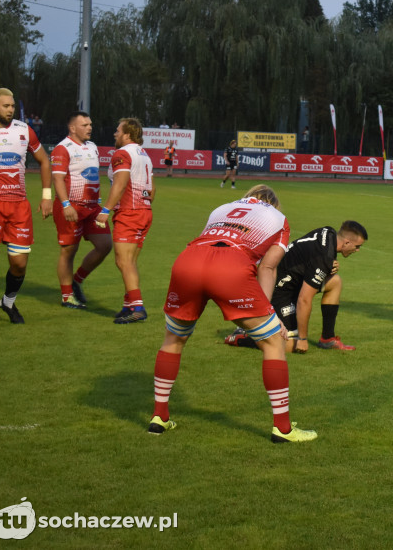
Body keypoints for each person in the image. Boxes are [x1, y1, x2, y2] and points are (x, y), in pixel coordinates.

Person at [150, 185, 317, 443]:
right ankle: (283, 429)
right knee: (274, 342)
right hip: (230, 267)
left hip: (188, 262)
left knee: (173, 340)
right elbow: (268, 268)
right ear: (274, 204)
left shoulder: (221, 208)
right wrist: (268, 311)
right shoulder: (279, 219)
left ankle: (159, 417)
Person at [225, 221, 368, 354]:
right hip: (278, 292)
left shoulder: (329, 233)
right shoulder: (324, 257)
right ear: (347, 242)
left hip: (294, 282)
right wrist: (303, 339)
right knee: (286, 343)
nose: (358, 250)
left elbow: (310, 256)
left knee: (335, 282)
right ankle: (242, 338)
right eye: (357, 246)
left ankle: (327, 338)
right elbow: (304, 299)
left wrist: (329, 265)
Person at [0, 88, 53, 331]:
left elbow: (44, 160)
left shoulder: (24, 130)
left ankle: (8, 303)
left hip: (19, 206)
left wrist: (46, 196)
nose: (11, 109)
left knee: (19, 263)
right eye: (6, 106)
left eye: (12, 106)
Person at [51, 111, 113, 309]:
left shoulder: (92, 147)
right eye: (85, 125)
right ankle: (67, 296)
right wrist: (66, 204)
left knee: (105, 245)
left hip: (93, 208)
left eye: (90, 124)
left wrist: (100, 202)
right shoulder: (62, 148)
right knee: (69, 251)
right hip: (72, 206)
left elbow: (94, 176)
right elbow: (58, 179)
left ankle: (77, 280)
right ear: (73, 128)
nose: (90, 127)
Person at [95, 118, 154, 324]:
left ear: (127, 134)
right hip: (144, 210)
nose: (115, 134)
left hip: (130, 212)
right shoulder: (144, 154)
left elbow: (120, 183)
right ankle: (129, 305)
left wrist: (105, 210)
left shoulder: (122, 153)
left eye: (118, 130)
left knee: (123, 261)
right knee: (129, 262)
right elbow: (152, 190)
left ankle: (138, 308)